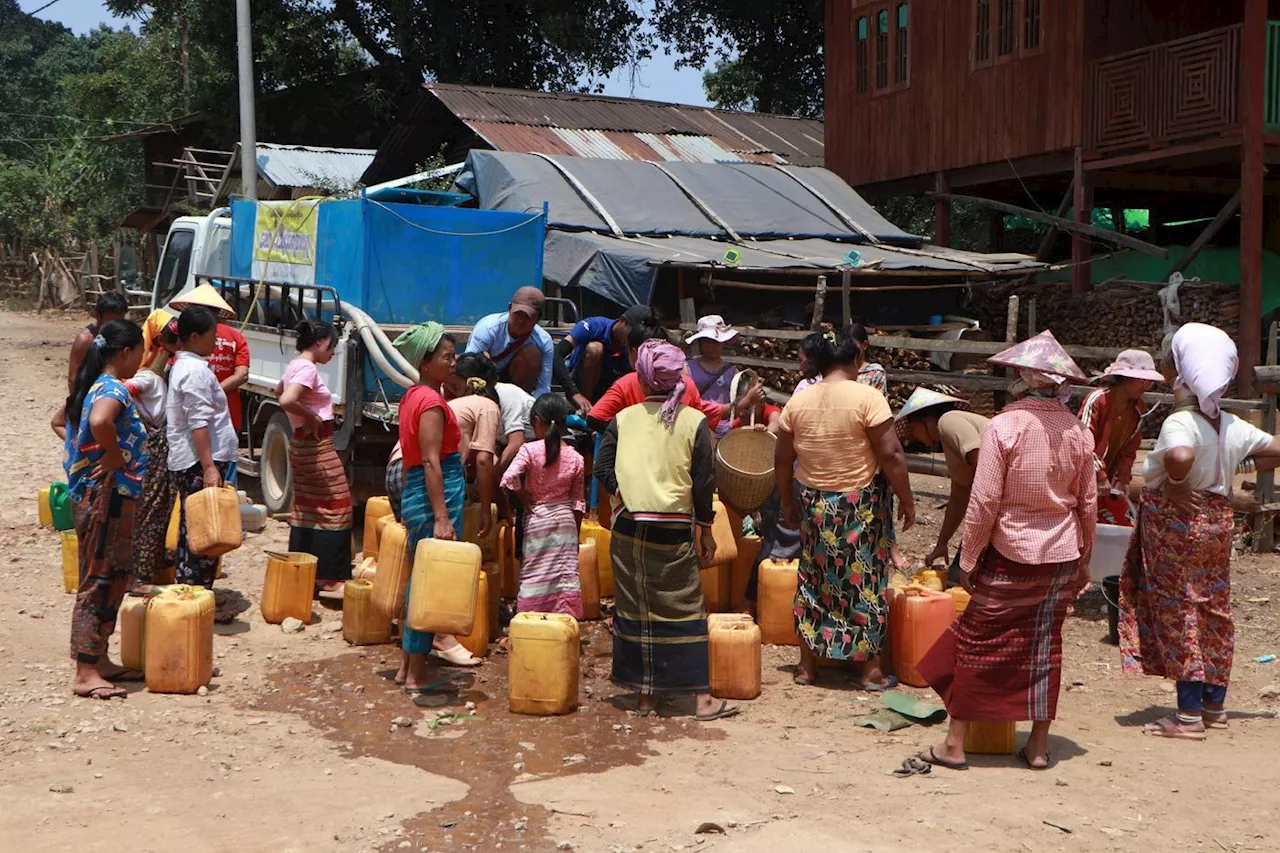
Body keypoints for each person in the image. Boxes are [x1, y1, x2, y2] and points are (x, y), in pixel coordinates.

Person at [916, 330, 1096, 771]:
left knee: (978, 643)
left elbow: (984, 502)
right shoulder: (1077, 430)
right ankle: (1037, 747)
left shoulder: (1005, 425)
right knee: (1044, 646)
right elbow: (1087, 501)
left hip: (1012, 551)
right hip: (1060, 554)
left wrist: (970, 558)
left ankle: (954, 745)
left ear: (1022, 378)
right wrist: (1084, 558)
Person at [1119, 324, 1280, 740]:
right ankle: (1214, 707)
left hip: (1178, 524)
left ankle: (1188, 718)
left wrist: (1175, 481)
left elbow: (1181, 454)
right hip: (1217, 523)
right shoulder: (1230, 425)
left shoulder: (1181, 422)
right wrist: (1236, 463)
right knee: (1214, 609)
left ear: (1180, 372)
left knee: (1180, 611)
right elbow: (1274, 450)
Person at [594, 340, 739, 721]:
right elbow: (703, 481)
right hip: (674, 528)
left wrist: (625, 494)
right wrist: (705, 530)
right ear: (679, 379)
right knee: (684, 608)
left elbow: (602, 468)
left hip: (629, 526)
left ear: (641, 380)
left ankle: (647, 697)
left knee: (637, 607)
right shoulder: (695, 422)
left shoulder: (623, 419)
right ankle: (702, 700)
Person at [775, 324, 916, 689]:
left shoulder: (798, 401)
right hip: (859, 505)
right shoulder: (868, 398)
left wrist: (788, 503)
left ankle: (808, 667)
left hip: (812, 502)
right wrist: (907, 499)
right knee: (865, 580)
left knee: (814, 578)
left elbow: (781, 460)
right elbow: (891, 454)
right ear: (856, 358)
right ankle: (869, 670)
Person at [63, 318, 147, 699]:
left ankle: (99, 658)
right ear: (126, 352)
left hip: (106, 496)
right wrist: (114, 454)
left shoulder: (95, 384)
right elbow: (100, 421)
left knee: (112, 575)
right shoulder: (112, 388)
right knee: (99, 578)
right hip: (106, 497)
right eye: (141, 351)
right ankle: (85, 670)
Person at [390, 322, 468, 694]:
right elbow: (432, 461)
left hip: (418, 490)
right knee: (430, 583)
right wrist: (441, 516)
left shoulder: (412, 396)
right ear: (425, 362)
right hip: (435, 491)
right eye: (446, 357)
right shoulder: (432, 403)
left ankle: (407, 668)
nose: (453, 363)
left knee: (418, 581)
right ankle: (417, 673)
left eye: (453, 356)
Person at [278, 320, 352, 596]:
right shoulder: (307, 368)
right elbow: (287, 399)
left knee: (308, 507)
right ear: (320, 343)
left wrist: (300, 414)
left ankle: (304, 570)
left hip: (301, 445)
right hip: (316, 446)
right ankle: (330, 578)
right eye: (332, 346)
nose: (332, 353)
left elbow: (279, 392)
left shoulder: (295, 365)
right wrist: (310, 416)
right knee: (337, 505)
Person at [166, 306, 239, 588]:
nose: (216, 342)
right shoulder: (194, 371)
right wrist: (209, 467)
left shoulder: (184, 365)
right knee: (205, 531)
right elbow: (199, 423)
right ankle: (195, 593)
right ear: (195, 337)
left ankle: (189, 591)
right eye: (212, 336)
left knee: (192, 528)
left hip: (192, 458)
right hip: (199, 460)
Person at [588, 317, 760, 432]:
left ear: (634, 353)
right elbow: (706, 414)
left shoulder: (625, 384)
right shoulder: (685, 381)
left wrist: (629, 434)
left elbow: (595, 418)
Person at [501, 393, 586, 616]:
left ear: (536, 421)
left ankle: (529, 620)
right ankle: (564, 623)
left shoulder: (529, 451)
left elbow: (508, 479)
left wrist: (523, 496)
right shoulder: (576, 457)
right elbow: (578, 502)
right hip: (566, 523)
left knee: (534, 575)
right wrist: (575, 535)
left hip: (538, 520)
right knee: (565, 577)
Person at [894, 388, 990, 581]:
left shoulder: (949, 420)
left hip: (1001, 508)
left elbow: (985, 467)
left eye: (913, 427)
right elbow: (958, 498)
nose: (914, 436)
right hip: (994, 510)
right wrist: (942, 542)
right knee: (957, 576)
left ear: (927, 418)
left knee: (962, 577)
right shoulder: (950, 441)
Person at [1078, 350, 1164, 525]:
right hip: (1082, 478)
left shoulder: (1138, 408)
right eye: (1142, 381)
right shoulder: (1098, 400)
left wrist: (1122, 478)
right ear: (1125, 379)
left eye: (1148, 382)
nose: (1145, 386)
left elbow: (1129, 448)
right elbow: (1082, 442)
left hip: (1106, 480)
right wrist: (1100, 475)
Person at [126, 310, 179, 585]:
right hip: (155, 446)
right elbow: (122, 391)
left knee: (158, 507)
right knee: (152, 507)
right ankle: (140, 571)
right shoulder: (147, 378)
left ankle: (150, 564)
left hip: (158, 445)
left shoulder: (161, 372)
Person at [169, 284, 251, 434]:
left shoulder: (184, 338)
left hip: (190, 419)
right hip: (227, 416)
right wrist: (216, 391)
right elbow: (242, 375)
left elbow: (171, 370)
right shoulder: (236, 336)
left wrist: (210, 391)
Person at [445, 354, 503, 541]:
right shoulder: (488, 406)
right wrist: (486, 511)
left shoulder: (453, 404)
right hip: (438, 477)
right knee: (447, 550)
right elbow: (484, 461)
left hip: (403, 469)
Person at [557, 305, 651, 413]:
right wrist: (574, 393)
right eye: (632, 333)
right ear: (622, 320)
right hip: (579, 387)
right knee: (595, 349)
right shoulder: (594, 325)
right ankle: (583, 408)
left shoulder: (636, 345)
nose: (634, 338)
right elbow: (557, 353)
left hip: (609, 390)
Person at [464, 286, 554, 397]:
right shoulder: (488, 328)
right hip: (485, 380)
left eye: (528, 317)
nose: (521, 321)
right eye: (518, 314)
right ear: (509, 308)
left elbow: (544, 386)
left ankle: (519, 401)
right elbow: (468, 366)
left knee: (532, 354)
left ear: (538, 318)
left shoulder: (544, 341)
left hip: (513, 382)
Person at [685, 315, 740, 437]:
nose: (711, 346)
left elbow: (739, 399)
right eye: (706, 342)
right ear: (700, 343)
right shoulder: (687, 368)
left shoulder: (732, 370)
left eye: (715, 342)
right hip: (697, 427)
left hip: (725, 429)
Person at [68, 291, 129, 393]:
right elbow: (73, 380)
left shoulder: (123, 337)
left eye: (119, 321)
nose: (115, 327)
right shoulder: (86, 340)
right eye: (110, 322)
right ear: (98, 316)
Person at [793, 331, 836, 396]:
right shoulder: (845, 382)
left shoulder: (804, 387)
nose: (800, 367)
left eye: (801, 360)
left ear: (812, 360)